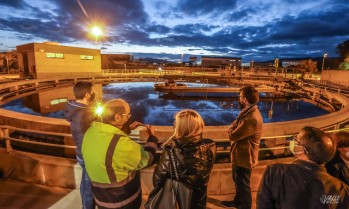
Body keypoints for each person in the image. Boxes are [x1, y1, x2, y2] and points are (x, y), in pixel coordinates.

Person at [82, 99, 159, 209]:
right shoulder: (120, 144)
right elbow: (146, 159)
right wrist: (152, 138)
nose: (129, 118)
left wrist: (127, 129)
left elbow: (108, 143)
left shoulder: (91, 132)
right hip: (122, 201)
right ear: (118, 117)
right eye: (128, 115)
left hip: (101, 199)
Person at [257, 126, 349, 209]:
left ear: (302, 150)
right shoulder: (341, 190)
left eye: (296, 141)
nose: (293, 143)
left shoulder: (275, 173)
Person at [146, 109, 216, 209]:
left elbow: (158, 179)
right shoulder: (211, 146)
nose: (174, 124)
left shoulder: (171, 150)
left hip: (179, 200)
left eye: (176, 123)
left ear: (181, 128)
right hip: (199, 197)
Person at [221, 86, 263, 209]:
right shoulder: (248, 111)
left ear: (244, 99)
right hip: (240, 156)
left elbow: (232, 135)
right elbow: (236, 124)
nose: (239, 98)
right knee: (238, 182)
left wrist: (231, 129)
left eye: (240, 96)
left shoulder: (251, 118)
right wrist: (234, 127)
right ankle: (237, 202)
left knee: (243, 185)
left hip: (245, 158)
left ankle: (244, 206)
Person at [65, 81, 96, 209]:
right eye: (93, 91)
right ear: (88, 95)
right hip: (88, 155)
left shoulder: (73, 109)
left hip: (80, 153)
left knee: (85, 181)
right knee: (89, 186)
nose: (95, 94)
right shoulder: (85, 114)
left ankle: (85, 205)